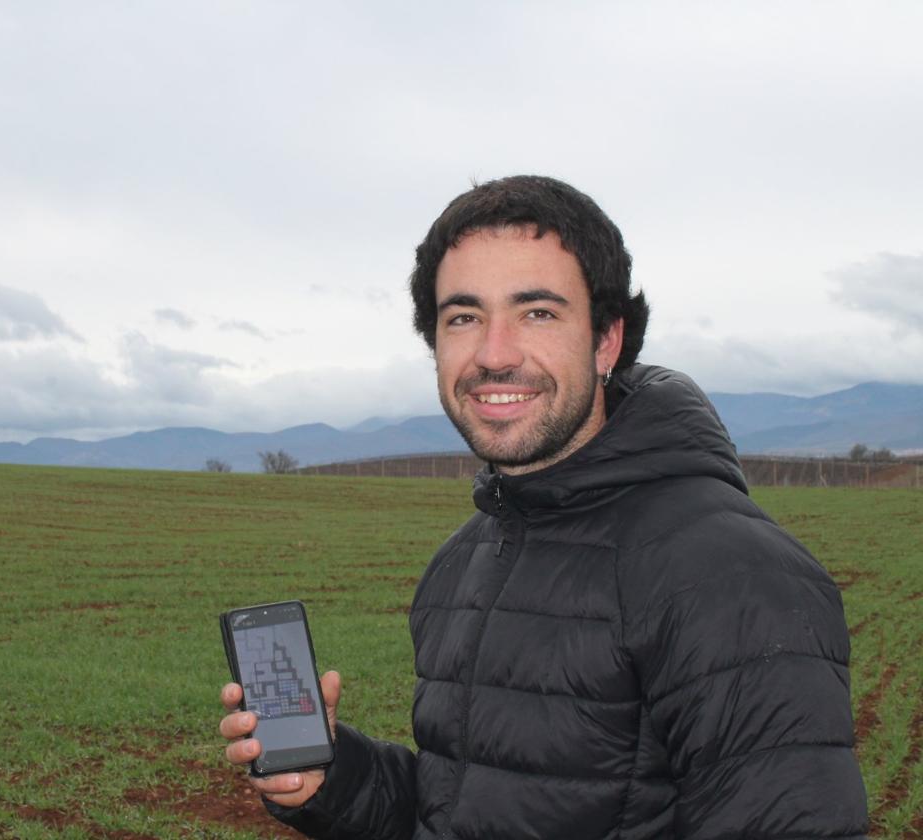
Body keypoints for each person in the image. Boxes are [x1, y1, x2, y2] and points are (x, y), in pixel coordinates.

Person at [219, 176, 869, 838]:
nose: (495, 355)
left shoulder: (728, 573)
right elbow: (464, 809)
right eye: (464, 317)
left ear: (606, 340)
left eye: (538, 312)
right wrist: (337, 778)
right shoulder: (464, 561)